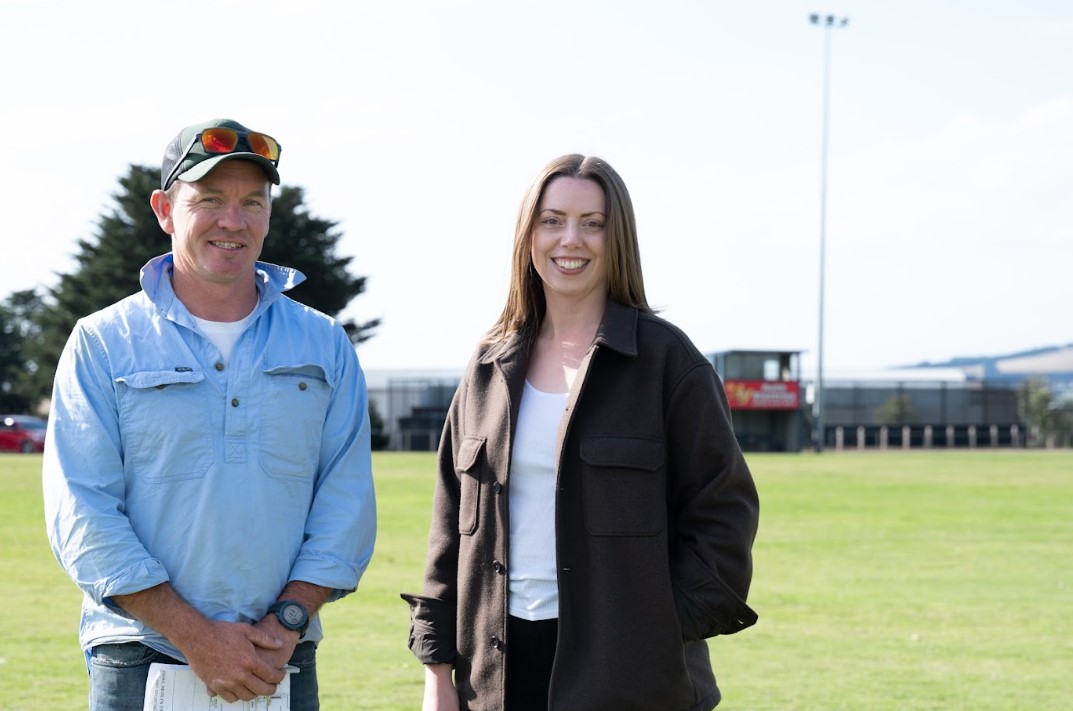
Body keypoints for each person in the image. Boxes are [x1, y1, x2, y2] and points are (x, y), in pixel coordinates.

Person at [402, 154, 760, 710]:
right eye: (552, 220)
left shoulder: (668, 363)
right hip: (495, 677)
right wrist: (437, 674)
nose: (571, 239)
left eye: (593, 223)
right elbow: (448, 533)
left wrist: (659, 635)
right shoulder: (487, 367)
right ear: (529, 235)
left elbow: (724, 516)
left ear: (617, 239)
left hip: (630, 681)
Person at [42, 118, 377, 711]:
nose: (234, 220)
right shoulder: (103, 342)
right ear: (165, 210)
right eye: (210, 201)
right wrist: (196, 638)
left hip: (281, 654)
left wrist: (289, 618)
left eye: (253, 202)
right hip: (138, 654)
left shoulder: (323, 344)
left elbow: (345, 503)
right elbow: (82, 511)